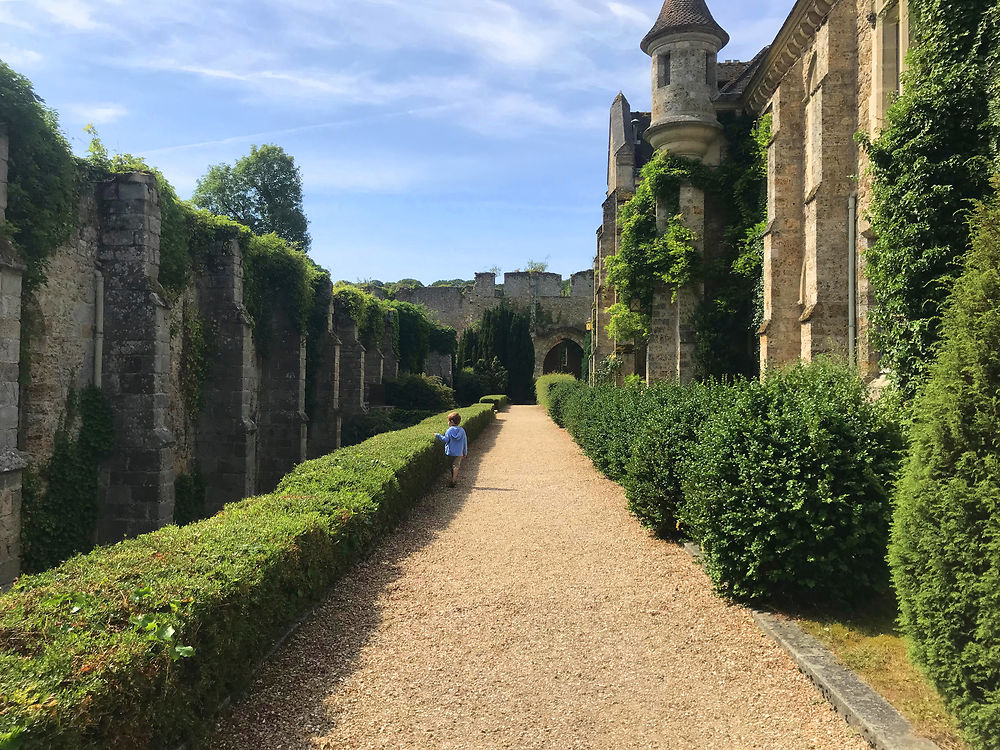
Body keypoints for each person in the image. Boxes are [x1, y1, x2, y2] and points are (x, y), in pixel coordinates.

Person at [435, 411, 468, 487]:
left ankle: (452, 477)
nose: (447, 423)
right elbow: (464, 442)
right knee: (456, 466)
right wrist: (465, 452)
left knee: (451, 466)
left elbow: (445, 440)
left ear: (451, 421)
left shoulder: (449, 430)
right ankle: (454, 480)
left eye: (448, 421)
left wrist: (438, 435)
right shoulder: (462, 430)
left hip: (450, 452)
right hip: (459, 452)